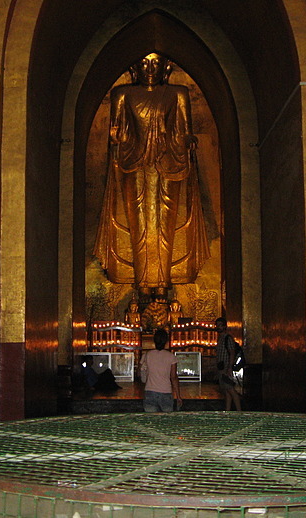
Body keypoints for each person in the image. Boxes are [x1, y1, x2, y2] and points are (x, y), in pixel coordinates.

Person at [94, 52, 210, 302]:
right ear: (135, 67)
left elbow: (185, 129)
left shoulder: (178, 93)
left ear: (165, 67)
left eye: (156, 63)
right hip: (133, 162)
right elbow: (116, 131)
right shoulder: (122, 94)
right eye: (144, 62)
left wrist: (187, 141)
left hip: (170, 160)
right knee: (139, 223)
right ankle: (142, 282)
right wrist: (117, 136)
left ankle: (163, 281)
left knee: (165, 222)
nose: (150, 68)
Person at [140, 329, 182, 412]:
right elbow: (173, 377)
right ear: (166, 341)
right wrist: (178, 396)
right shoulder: (171, 357)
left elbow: (139, 372)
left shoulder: (147, 355)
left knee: (151, 421)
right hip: (166, 391)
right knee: (166, 421)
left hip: (150, 391)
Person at [215, 317, 242, 411]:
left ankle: (239, 411)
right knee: (226, 390)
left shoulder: (228, 338)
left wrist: (230, 367)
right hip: (221, 367)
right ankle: (228, 410)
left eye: (220, 325)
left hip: (226, 367)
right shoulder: (220, 339)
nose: (218, 327)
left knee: (230, 389)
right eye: (217, 325)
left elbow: (232, 352)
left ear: (224, 326)